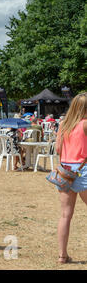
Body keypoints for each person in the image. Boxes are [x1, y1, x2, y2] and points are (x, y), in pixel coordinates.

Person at [55, 92, 87, 264]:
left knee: (65, 215)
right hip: (83, 169)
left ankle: (62, 255)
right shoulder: (86, 124)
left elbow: (59, 149)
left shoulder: (63, 124)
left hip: (65, 170)